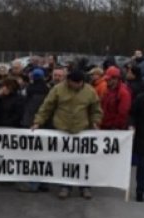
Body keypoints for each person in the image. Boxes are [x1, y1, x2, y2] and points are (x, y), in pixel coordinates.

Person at [33, 70, 103, 200]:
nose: (77, 85)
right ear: (68, 81)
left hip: (82, 130)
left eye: (79, 83)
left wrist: (95, 122)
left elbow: (96, 109)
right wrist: (38, 122)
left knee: (83, 160)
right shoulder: (58, 89)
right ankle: (65, 186)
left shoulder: (90, 91)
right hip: (62, 129)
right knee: (65, 160)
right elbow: (47, 107)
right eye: (74, 83)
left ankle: (85, 187)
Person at [100, 67, 131, 131]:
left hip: (114, 129)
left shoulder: (123, 93)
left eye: (108, 80)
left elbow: (123, 113)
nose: (106, 81)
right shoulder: (108, 90)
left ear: (116, 79)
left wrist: (115, 127)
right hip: (105, 126)